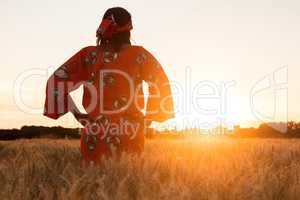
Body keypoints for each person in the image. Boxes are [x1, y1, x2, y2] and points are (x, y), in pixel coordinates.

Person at [43, 7, 174, 164]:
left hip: (95, 131)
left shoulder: (88, 54)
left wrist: (80, 117)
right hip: (130, 132)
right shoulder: (140, 55)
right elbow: (161, 83)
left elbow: (55, 81)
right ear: (129, 29)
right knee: (128, 184)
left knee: (94, 186)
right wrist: (148, 120)